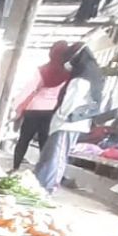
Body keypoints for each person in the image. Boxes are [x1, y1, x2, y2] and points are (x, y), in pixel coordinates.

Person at [35, 44, 103, 194]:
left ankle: (47, 188)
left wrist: (61, 115)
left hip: (67, 123)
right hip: (75, 122)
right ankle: (41, 184)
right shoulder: (92, 72)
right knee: (53, 155)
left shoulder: (82, 76)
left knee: (56, 156)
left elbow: (72, 100)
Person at [11, 41, 72, 171]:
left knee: (24, 139)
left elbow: (28, 89)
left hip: (33, 109)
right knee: (44, 142)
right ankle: (43, 170)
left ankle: (15, 167)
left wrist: (14, 105)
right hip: (51, 112)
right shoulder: (68, 74)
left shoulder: (42, 70)